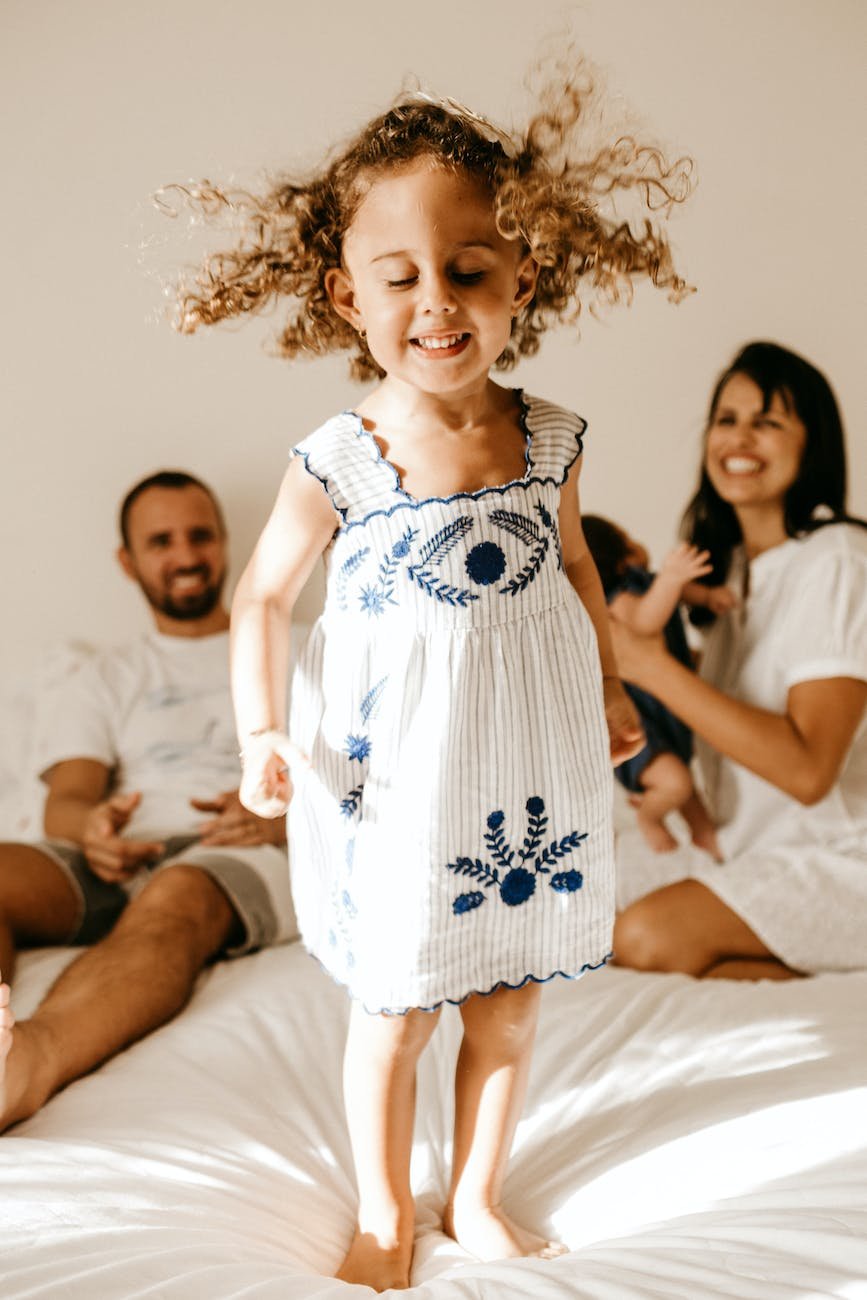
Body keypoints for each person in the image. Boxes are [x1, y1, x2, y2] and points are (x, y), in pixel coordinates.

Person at [173, 77, 692, 1290]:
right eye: (399, 276)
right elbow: (261, 598)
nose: (437, 302)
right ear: (348, 295)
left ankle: (474, 1190)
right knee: (399, 1011)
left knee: (509, 1002)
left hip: (525, 769)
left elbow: (571, 570)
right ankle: (382, 1203)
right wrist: (260, 730)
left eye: (469, 267)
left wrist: (611, 693)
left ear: (526, 277)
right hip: (397, 778)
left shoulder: (553, 438)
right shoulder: (343, 459)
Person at [0, 471, 297, 1133]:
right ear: (127, 561)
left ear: (224, 544)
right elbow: (67, 802)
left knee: (177, 896)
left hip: (239, 850)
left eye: (199, 536)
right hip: (121, 855)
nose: (185, 556)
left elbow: (364, 777)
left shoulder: (298, 649)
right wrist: (94, 829)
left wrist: (282, 811)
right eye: (161, 541)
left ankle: (27, 1067)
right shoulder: (107, 675)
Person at [611, 341, 867, 981]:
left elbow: (809, 770)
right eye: (727, 419)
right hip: (751, 849)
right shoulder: (735, 576)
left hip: (842, 859)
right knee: (576, 902)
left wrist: (648, 666)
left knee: (644, 937)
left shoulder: (836, 559)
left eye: (768, 421)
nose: (740, 437)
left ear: (813, 444)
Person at [582, 515, 734, 857]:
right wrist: (673, 576)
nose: (637, 543)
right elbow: (646, 620)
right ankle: (650, 817)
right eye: (626, 537)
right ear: (616, 556)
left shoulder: (646, 580)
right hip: (642, 721)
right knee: (676, 782)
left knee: (688, 787)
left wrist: (707, 597)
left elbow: (680, 592)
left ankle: (710, 841)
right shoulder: (618, 597)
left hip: (666, 710)